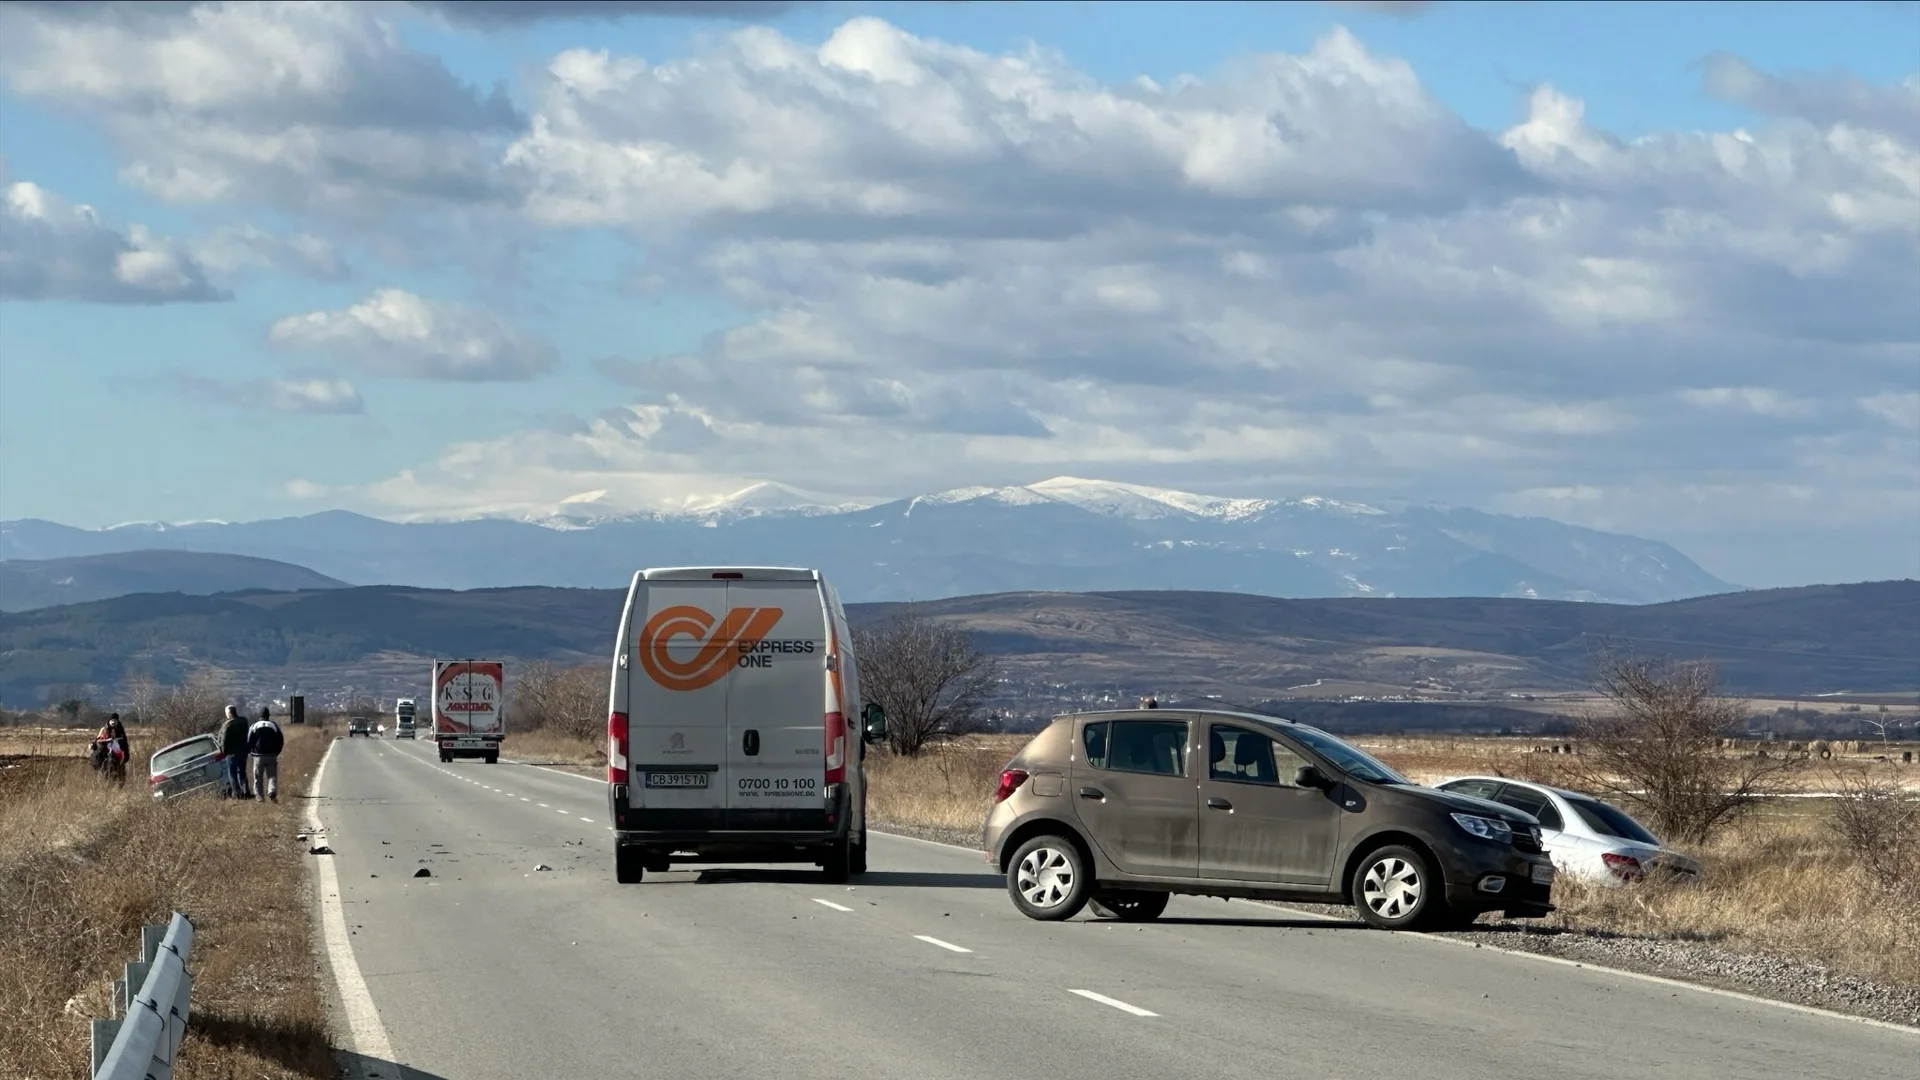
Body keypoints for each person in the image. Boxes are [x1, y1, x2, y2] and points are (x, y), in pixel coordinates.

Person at [247, 705, 284, 803]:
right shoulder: (274, 725)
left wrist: (250, 751)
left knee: (257, 777)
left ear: (259, 716)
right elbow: (280, 740)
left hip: (258, 755)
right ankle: (272, 791)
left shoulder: (254, 726)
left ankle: (259, 797)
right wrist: (277, 751)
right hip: (271, 755)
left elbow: (249, 740)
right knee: (272, 776)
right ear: (268, 715)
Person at [219, 705, 251, 798]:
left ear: (228, 713)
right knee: (242, 771)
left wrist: (223, 751)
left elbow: (223, 739)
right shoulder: (244, 721)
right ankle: (246, 791)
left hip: (231, 753)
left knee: (232, 773)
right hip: (243, 751)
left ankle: (237, 793)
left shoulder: (227, 725)